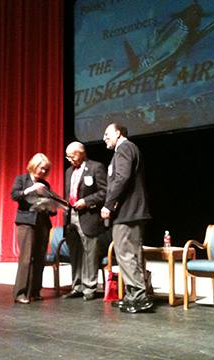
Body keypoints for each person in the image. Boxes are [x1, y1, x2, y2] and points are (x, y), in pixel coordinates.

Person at [101, 123, 153, 313]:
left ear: (118, 133)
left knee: (126, 254)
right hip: (131, 212)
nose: (104, 138)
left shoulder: (125, 148)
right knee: (130, 255)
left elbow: (122, 178)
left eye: (107, 134)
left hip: (128, 212)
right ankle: (133, 295)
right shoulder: (125, 150)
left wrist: (108, 204)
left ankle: (139, 296)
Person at [63, 141, 107, 301]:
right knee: (75, 254)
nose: (70, 159)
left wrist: (87, 201)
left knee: (90, 253)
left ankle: (89, 287)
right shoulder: (68, 171)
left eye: (72, 155)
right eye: (67, 157)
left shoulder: (96, 167)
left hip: (89, 217)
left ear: (82, 153)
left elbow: (104, 192)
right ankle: (77, 287)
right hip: (71, 217)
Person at [11, 153, 55, 304]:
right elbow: (15, 195)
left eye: (45, 169)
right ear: (34, 165)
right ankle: (20, 293)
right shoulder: (22, 180)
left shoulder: (45, 184)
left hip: (42, 223)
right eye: (41, 168)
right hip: (27, 223)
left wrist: (53, 208)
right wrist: (30, 189)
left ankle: (35, 291)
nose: (43, 171)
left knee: (39, 259)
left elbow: (46, 203)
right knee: (26, 258)